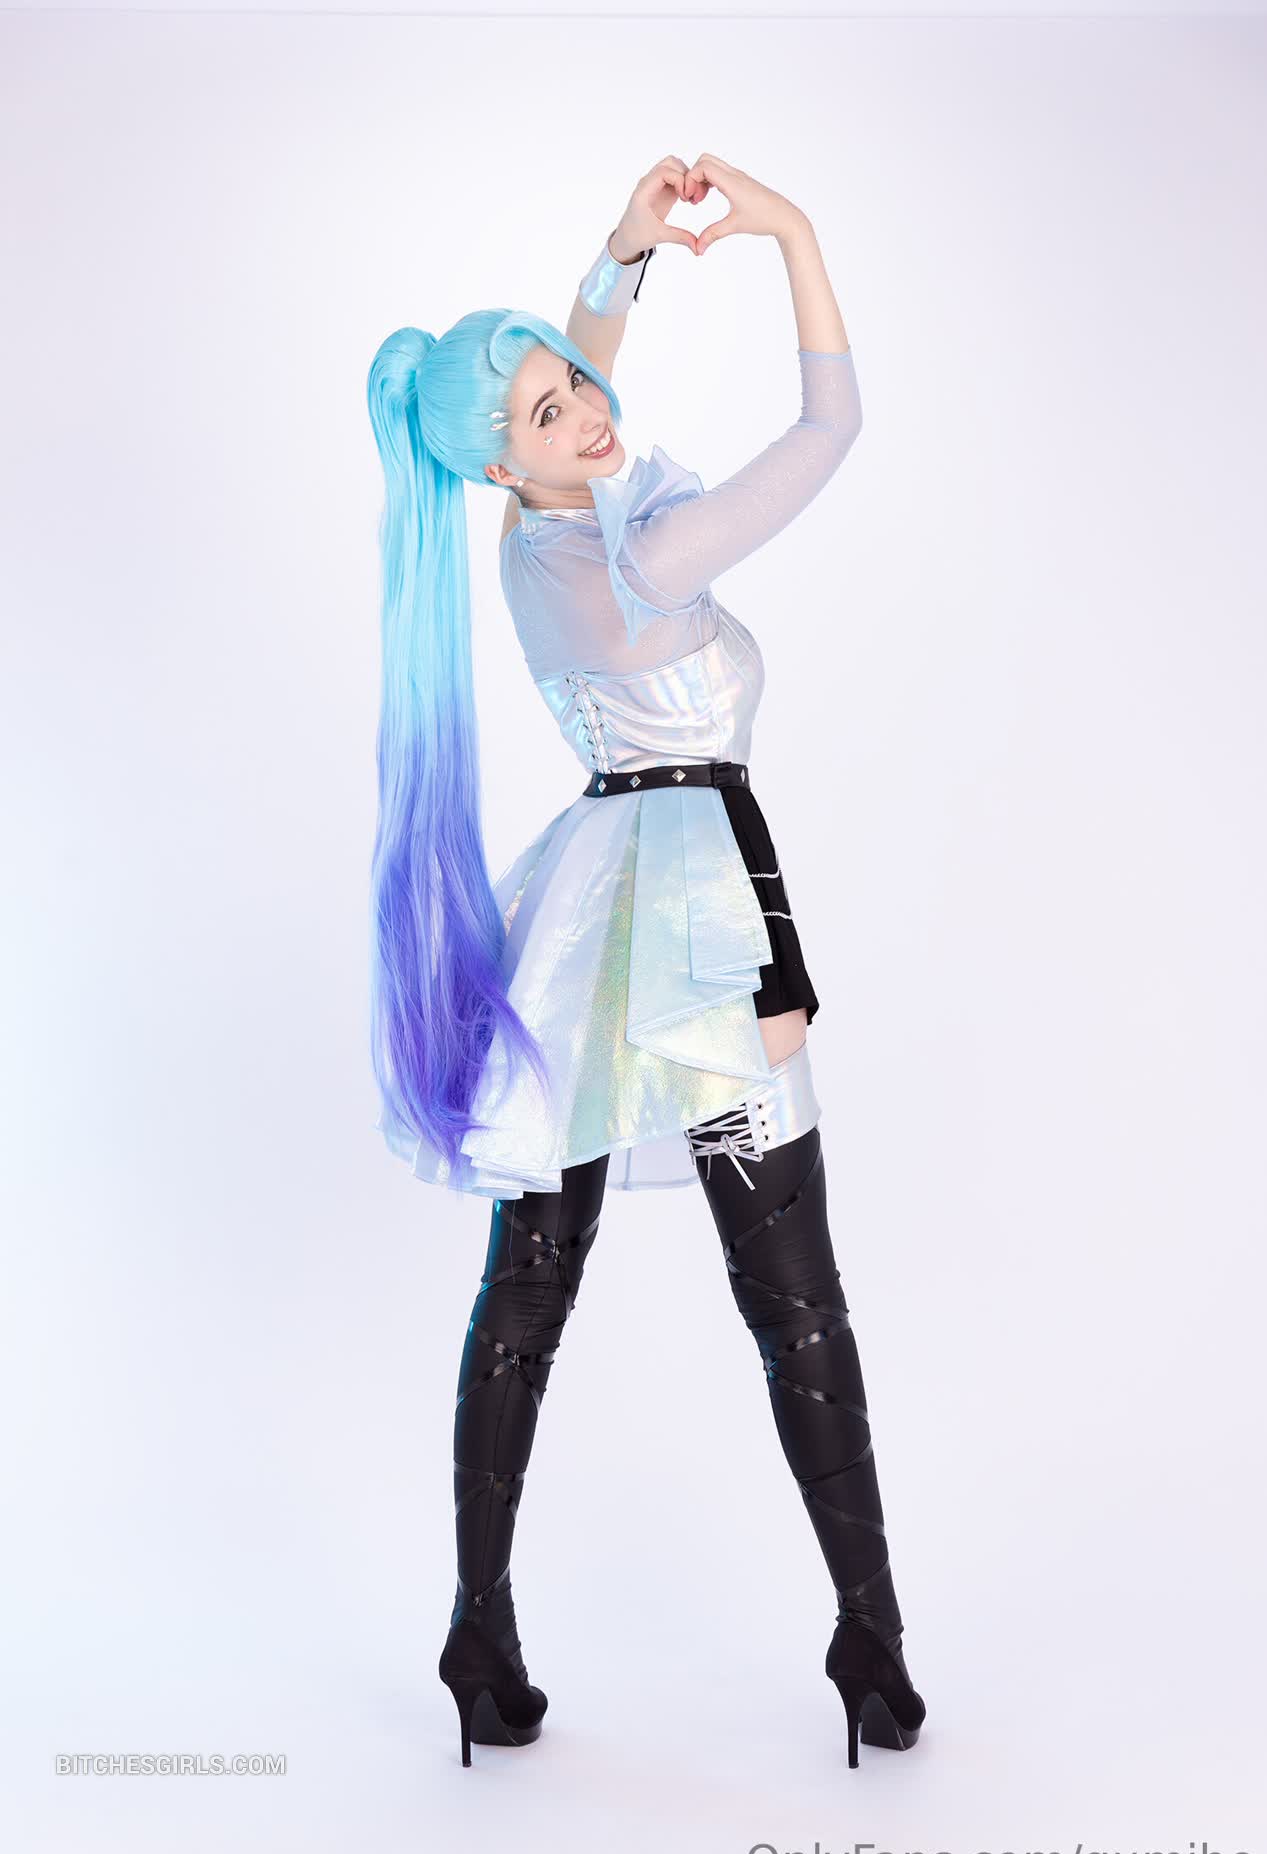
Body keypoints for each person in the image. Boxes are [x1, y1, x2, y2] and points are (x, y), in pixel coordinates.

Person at [365, 154, 926, 1772]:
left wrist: (624, 258)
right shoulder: (644, 556)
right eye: (549, 413)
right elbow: (830, 428)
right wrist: (792, 232)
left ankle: (479, 1631)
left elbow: (565, 391)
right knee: (792, 1294)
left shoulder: (537, 536)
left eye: (575, 379)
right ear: (502, 462)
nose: (591, 409)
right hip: (695, 927)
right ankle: (871, 1641)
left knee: (534, 1285)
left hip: (601, 918)